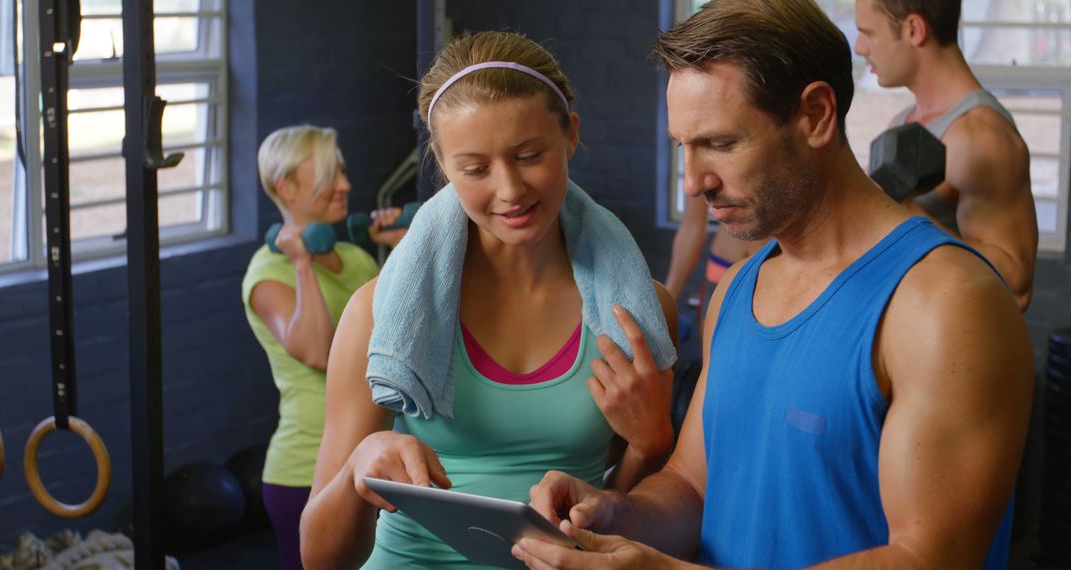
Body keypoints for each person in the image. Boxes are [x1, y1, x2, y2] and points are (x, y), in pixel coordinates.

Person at [514, 1, 1033, 568]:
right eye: (681, 146)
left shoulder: (946, 305)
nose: (693, 182)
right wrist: (615, 513)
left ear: (815, 114)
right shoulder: (735, 290)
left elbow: (931, 557)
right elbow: (691, 487)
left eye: (719, 143)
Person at [298, 31, 679, 569]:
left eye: (529, 155)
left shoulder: (636, 313)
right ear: (441, 162)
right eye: (475, 169)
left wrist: (651, 443)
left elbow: (635, 527)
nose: (509, 190)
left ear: (570, 134)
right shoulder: (376, 312)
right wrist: (359, 466)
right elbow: (320, 559)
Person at [241, 124, 406, 570]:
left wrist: (410, 252)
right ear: (286, 187)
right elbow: (316, 351)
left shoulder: (356, 259)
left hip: (375, 460)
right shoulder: (267, 274)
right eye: (330, 175)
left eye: (344, 171)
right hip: (305, 470)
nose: (346, 185)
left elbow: (403, 337)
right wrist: (301, 263)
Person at [854, 0, 1037, 311]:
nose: (859, 47)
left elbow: (1015, 286)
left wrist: (907, 212)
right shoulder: (903, 121)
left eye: (868, 33)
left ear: (914, 30)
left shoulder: (979, 137)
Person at [665, 195, 768, 325]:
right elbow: (692, 225)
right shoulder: (698, 178)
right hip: (722, 268)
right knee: (713, 345)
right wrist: (668, 299)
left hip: (778, 269)